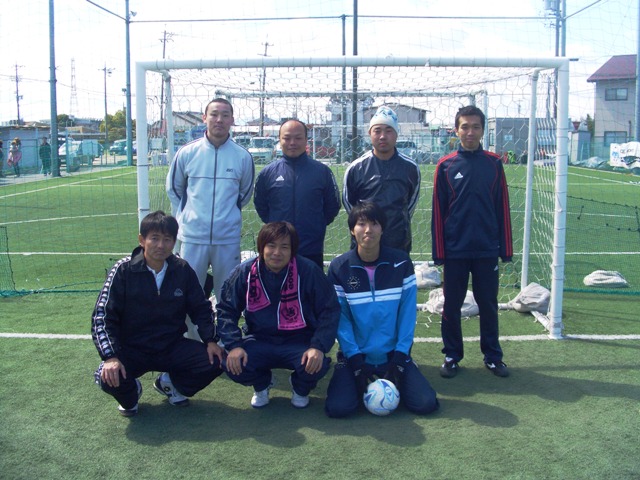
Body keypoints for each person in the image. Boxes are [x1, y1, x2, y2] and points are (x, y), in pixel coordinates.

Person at [91, 211, 224, 416]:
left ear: (174, 242)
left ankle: (170, 384)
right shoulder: (123, 270)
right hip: (132, 348)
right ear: (141, 240)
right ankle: (131, 394)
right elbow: (102, 317)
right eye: (154, 238)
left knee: (217, 360)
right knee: (106, 375)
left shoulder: (181, 269)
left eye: (167, 239)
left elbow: (200, 307)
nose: (161, 245)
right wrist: (110, 356)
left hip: (171, 345)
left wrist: (210, 340)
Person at [325, 201, 439, 418]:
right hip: (356, 357)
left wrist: (400, 356)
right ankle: (356, 379)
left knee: (426, 404)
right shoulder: (339, 268)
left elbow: (407, 314)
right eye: (361, 224)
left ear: (382, 229)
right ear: (352, 230)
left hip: (393, 356)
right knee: (338, 408)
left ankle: (401, 374)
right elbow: (341, 318)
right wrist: (354, 358)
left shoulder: (401, 263)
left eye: (374, 224)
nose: (368, 230)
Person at [216, 221, 340, 409]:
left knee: (318, 363)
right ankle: (262, 383)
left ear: (293, 250)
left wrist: (318, 346)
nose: (277, 252)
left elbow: (329, 309)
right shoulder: (245, 272)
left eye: (284, 247)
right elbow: (226, 309)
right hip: (259, 339)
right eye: (271, 246)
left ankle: (300, 387)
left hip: (299, 340)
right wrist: (233, 345)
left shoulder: (308, 271)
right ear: (261, 247)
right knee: (231, 362)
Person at [431, 105, 513, 379]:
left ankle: (493, 356)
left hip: (487, 250)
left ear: (482, 130)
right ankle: (452, 355)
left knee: (488, 304)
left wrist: (505, 248)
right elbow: (438, 211)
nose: (470, 132)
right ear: (456, 130)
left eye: (475, 127)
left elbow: (502, 206)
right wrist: (439, 253)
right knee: (451, 305)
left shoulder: (494, 163)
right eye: (464, 127)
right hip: (455, 250)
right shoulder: (445, 166)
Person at [166, 98, 255, 337]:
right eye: (214, 114)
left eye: (225, 115)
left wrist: (225, 218)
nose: (219, 120)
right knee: (188, 292)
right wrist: (192, 217)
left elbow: (244, 194)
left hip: (227, 239)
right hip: (193, 237)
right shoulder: (187, 153)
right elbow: (174, 190)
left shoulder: (242, 156)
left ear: (232, 120)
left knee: (228, 294)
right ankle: (192, 341)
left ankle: (226, 341)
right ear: (204, 118)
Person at [253, 119, 341, 269]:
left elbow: (332, 206)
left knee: (311, 284)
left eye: (298, 138)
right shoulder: (267, 173)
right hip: (278, 251)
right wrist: (277, 227)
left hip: (311, 249)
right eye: (287, 138)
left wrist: (316, 225)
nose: (292, 142)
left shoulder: (322, 172)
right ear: (279, 140)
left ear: (306, 140)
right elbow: (261, 206)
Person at [342, 106, 421, 253]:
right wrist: (366, 224)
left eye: (388, 130)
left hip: (398, 242)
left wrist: (396, 222)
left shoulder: (410, 167)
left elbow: (410, 204)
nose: (383, 136)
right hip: (365, 244)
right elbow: (349, 204)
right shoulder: (356, 168)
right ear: (370, 133)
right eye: (377, 131)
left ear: (396, 134)